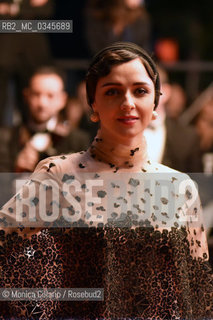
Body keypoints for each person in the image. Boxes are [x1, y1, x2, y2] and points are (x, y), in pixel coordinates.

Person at [0, 42, 212, 319]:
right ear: (93, 103)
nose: (128, 103)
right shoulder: (59, 175)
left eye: (140, 91)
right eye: (112, 92)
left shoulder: (179, 187)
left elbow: (198, 295)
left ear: (156, 102)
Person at [0, 66, 90, 173]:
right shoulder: (6, 138)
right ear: (26, 96)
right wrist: (15, 171)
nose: (42, 103)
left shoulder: (78, 141)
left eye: (50, 96)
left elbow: (85, 185)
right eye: (36, 94)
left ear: (62, 100)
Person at [144, 66, 203, 172]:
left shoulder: (188, 137)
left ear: (166, 91)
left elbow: (198, 183)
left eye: (148, 89)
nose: (143, 95)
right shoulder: (115, 131)